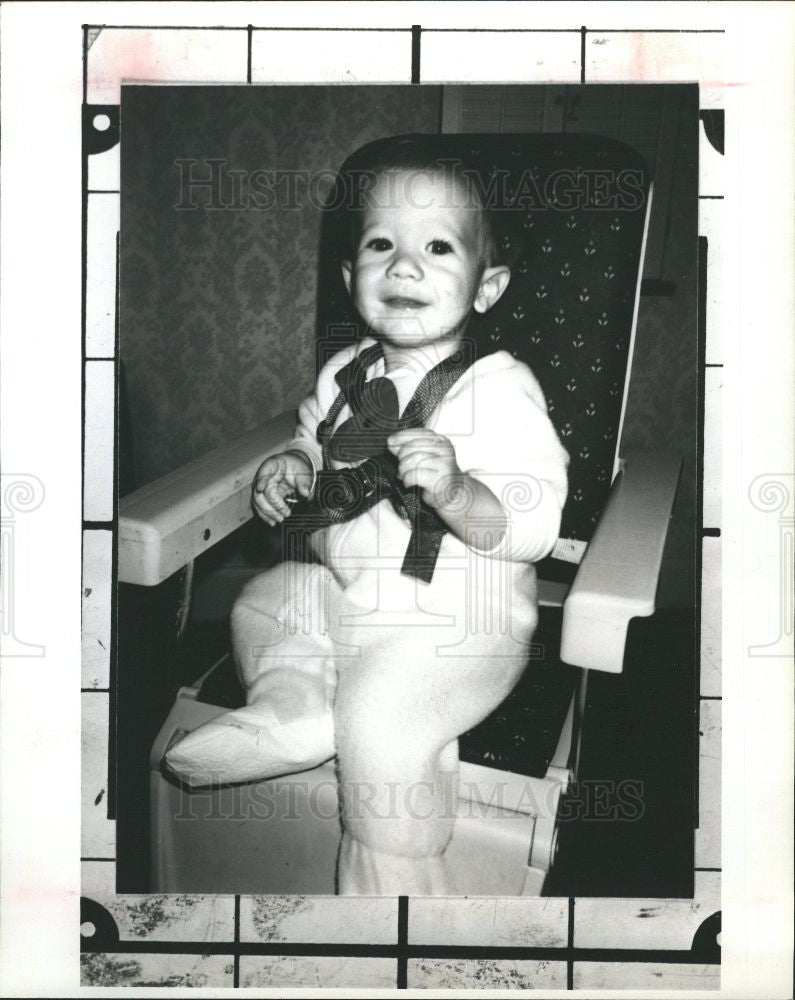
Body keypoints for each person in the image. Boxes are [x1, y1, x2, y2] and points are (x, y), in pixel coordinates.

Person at [165, 137, 569, 894]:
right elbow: (310, 438)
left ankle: (393, 880)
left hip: (458, 623)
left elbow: (536, 520)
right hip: (352, 597)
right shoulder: (344, 373)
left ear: (487, 287)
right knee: (262, 602)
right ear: (351, 277)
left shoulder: (499, 388)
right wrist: (293, 465)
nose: (404, 265)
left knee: (381, 718)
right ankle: (293, 709)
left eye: (438, 246)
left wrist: (457, 491)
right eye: (380, 244)